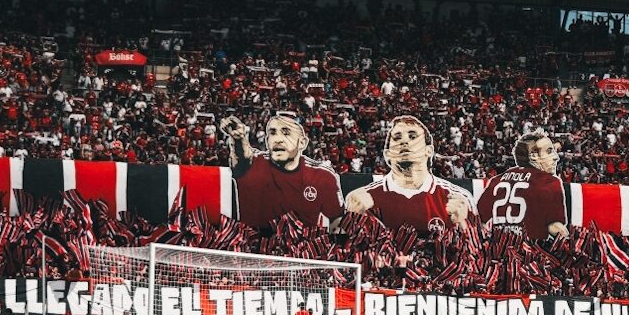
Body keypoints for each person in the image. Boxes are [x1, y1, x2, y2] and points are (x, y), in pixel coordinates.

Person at [344, 114, 473, 235]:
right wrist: (354, 219)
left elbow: (478, 252)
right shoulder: (363, 199)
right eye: (397, 137)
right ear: (387, 154)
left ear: (429, 151)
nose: (404, 142)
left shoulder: (459, 198)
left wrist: (462, 225)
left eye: (412, 137)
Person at [220, 111, 343, 230]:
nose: (278, 139)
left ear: (302, 143)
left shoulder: (322, 177)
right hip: (250, 246)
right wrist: (238, 139)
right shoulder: (253, 163)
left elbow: (337, 221)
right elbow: (242, 156)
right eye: (272, 133)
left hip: (299, 247)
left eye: (286, 133)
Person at [477, 131, 569, 240]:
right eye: (549, 151)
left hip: (496, 251)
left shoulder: (496, 180)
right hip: (527, 253)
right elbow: (555, 227)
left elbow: (480, 221)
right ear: (534, 155)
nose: (556, 157)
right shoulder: (549, 182)